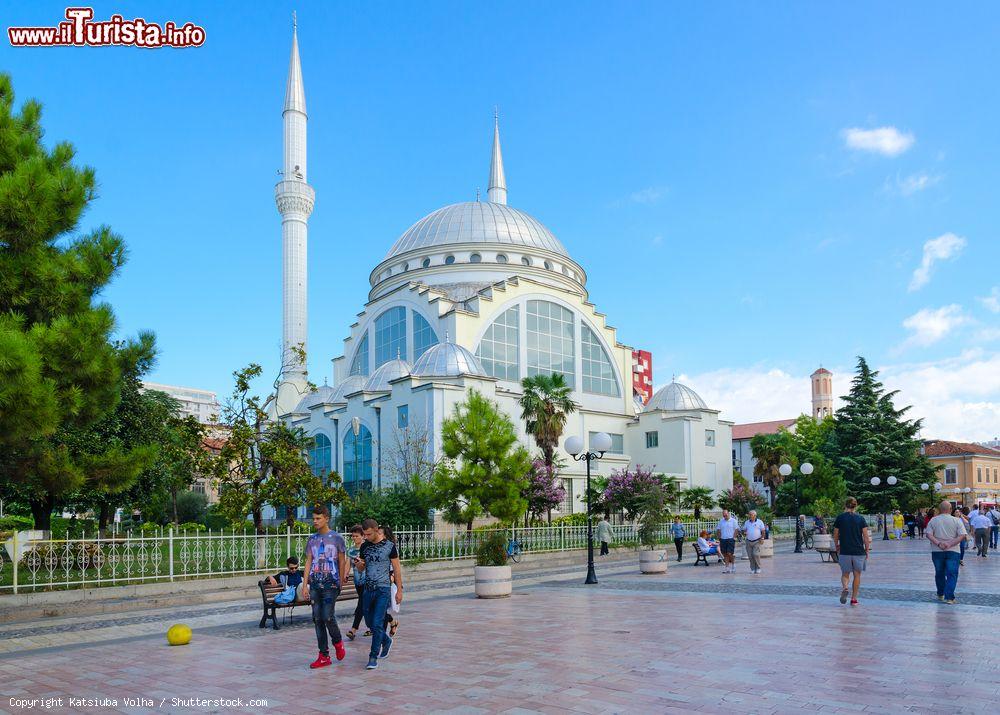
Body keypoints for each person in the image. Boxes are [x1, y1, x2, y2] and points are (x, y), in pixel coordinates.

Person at [301, 505, 348, 669]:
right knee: (317, 618)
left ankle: (338, 642)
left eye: (318, 518)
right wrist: (305, 584)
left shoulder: (336, 538)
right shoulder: (312, 539)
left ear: (327, 518)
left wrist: (340, 580)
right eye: (313, 518)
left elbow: (342, 560)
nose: (314, 521)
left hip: (331, 583)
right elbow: (308, 561)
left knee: (328, 616)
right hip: (315, 583)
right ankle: (323, 655)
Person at [356, 518, 403, 670]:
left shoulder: (390, 547)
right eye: (364, 534)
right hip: (367, 589)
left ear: (377, 530)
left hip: (383, 589)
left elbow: (396, 569)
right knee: (370, 622)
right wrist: (358, 565)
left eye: (369, 534)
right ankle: (386, 640)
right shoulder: (364, 546)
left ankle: (372, 656)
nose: (366, 537)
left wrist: (399, 590)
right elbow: (362, 568)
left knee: (376, 623)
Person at [925, 501, 968, 604]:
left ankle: (940, 594)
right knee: (952, 574)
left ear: (939, 509)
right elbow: (962, 535)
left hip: (937, 551)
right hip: (953, 551)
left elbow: (928, 534)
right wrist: (950, 543)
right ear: (950, 509)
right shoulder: (956, 520)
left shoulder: (933, 520)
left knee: (939, 573)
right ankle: (949, 598)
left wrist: (939, 543)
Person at [833, 497, 871, 606]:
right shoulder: (860, 518)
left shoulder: (840, 518)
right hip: (859, 551)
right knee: (857, 575)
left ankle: (845, 587)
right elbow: (865, 536)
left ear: (845, 505)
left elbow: (835, 535)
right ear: (856, 506)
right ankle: (854, 599)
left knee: (845, 573)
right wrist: (867, 549)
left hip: (845, 550)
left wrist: (836, 546)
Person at [345, 525, 367, 641]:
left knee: (361, 605)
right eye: (352, 536)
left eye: (356, 536)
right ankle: (392, 621)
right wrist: (345, 575)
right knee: (367, 606)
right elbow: (347, 564)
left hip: (367, 581)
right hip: (357, 582)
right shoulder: (351, 550)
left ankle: (353, 629)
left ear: (363, 536)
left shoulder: (367, 548)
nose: (354, 538)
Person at [742, 510, 767, 574]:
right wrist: (744, 532)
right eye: (749, 514)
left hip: (757, 541)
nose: (749, 516)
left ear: (755, 515)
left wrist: (762, 538)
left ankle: (758, 568)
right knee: (750, 556)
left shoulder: (759, 522)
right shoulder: (747, 522)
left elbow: (763, 531)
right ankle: (752, 568)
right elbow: (744, 530)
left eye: (751, 515)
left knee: (755, 554)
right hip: (748, 541)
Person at [716, 509, 740, 574]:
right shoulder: (721, 521)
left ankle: (733, 565)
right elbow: (718, 530)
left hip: (730, 539)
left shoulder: (733, 521)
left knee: (730, 553)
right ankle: (727, 568)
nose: (725, 516)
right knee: (725, 554)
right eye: (723, 515)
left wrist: (734, 537)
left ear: (728, 514)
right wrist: (718, 538)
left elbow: (736, 529)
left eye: (726, 515)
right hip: (723, 539)